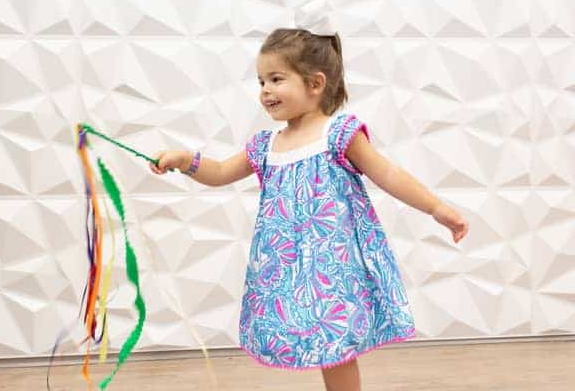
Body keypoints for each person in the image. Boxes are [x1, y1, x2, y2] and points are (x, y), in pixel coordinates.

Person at [149, 26, 468, 391]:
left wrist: (436, 208)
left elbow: (388, 174)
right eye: (261, 81)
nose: (265, 90)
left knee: (337, 345)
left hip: (334, 264)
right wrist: (184, 159)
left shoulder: (339, 134)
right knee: (313, 340)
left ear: (315, 84)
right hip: (289, 268)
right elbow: (220, 172)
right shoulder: (266, 145)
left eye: (276, 79)